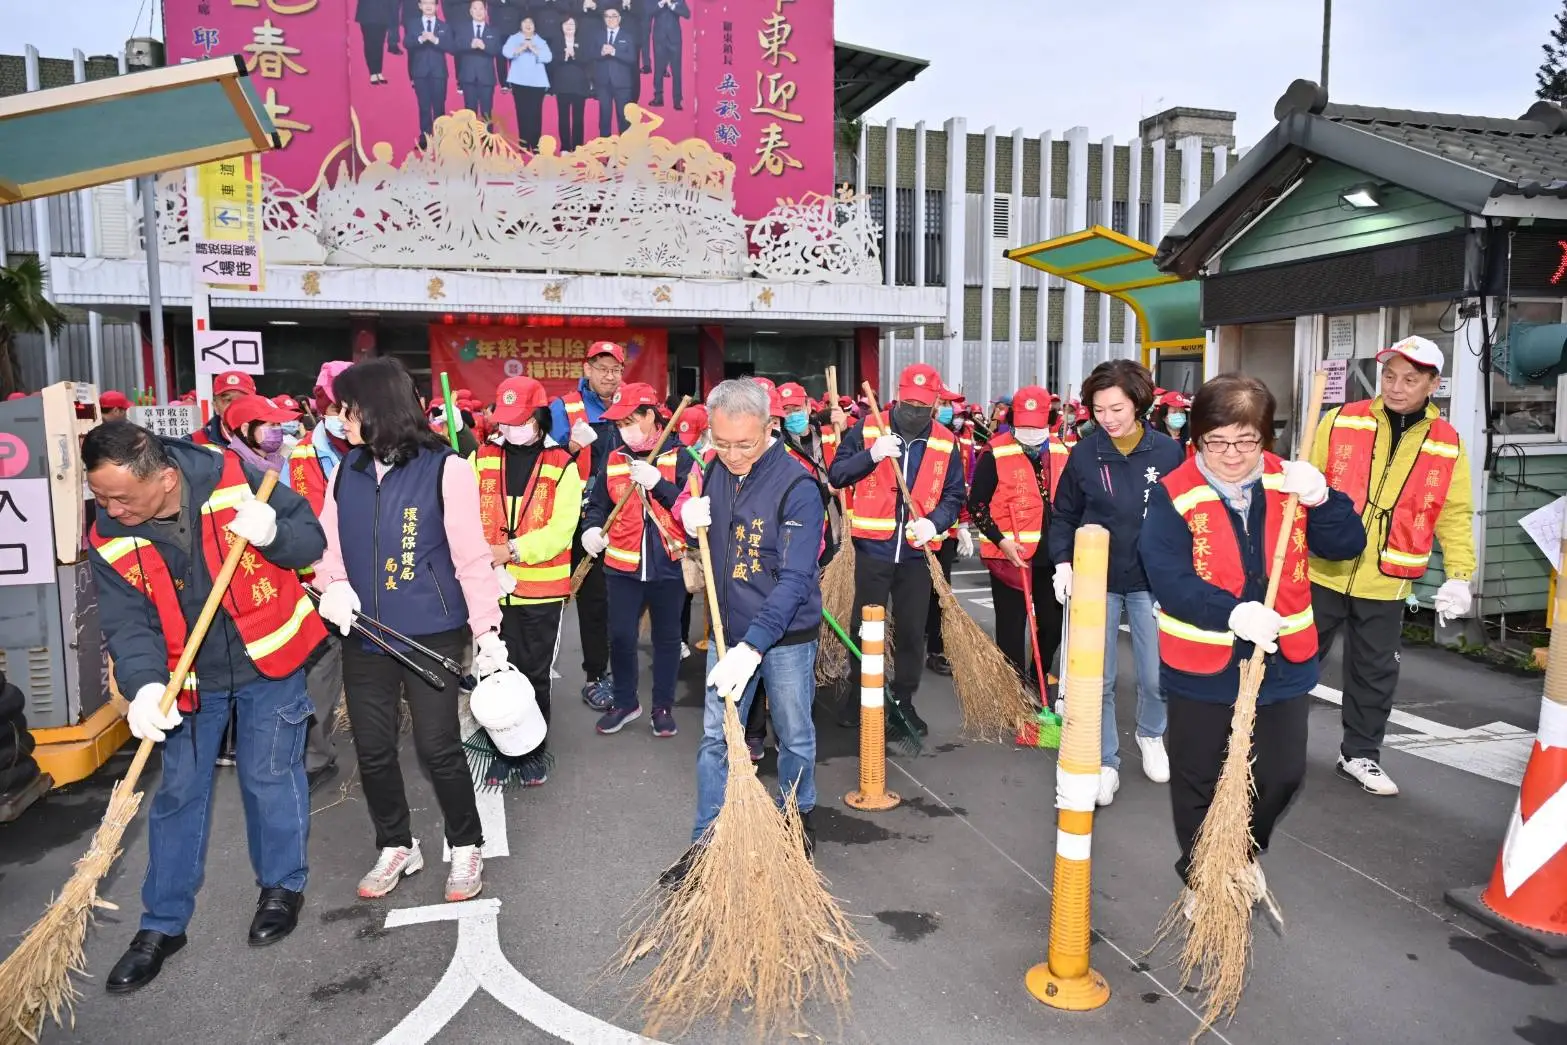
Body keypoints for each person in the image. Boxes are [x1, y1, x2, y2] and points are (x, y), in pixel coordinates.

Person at [85, 422, 327, 992]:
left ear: (167, 479)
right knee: (178, 796)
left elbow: (308, 539)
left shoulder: (235, 479)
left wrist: (274, 536)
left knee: (269, 776)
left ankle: (281, 887)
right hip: (184, 680)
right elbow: (125, 619)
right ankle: (163, 924)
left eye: (122, 497)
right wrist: (144, 686)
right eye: (100, 496)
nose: (111, 509)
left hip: (268, 661)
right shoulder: (107, 533)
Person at [1140, 374, 1364, 906]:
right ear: (1196, 438)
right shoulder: (1174, 493)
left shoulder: (1290, 480)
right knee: (1198, 776)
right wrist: (1231, 613)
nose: (1232, 454)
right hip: (1202, 661)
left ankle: (1235, 854)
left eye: (1247, 441)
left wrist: (1324, 498)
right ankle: (1202, 876)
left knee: (1281, 774)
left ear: (1266, 438)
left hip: (1283, 659)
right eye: (1216, 442)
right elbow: (1168, 577)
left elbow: (1345, 544)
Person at [307, 357, 509, 903]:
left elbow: (470, 557)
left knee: (437, 745)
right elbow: (328, 545)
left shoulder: (446, 468)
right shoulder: (344, 470)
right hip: (365, 631)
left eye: (347, 409)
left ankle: (466, 845)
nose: (339, 419)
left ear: (378, 408)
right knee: (372, 749)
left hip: (430, 631)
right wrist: (332, 585)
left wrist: (487, 631)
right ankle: (396, 843)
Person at [660, 379, 826, 886]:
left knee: (794, 731)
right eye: (721, 442)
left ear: (770, 428)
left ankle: (798, 821)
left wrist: (755, 645)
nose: (731, 454)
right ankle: (706, 839)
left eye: (745, 444)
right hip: (728, 629)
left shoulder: (799, 489)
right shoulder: (711, 468)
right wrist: (685, 519)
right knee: (716, 736)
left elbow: (797, 580)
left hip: (784, 635)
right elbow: (692, 520)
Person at [1309, 336, 1475, 797]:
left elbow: (1454, 512)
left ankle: (1360, 755)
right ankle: (1264, 742)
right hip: (1324, 568)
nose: (1396, 387)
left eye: (1410, 379)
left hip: (1388, 578)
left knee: (1374, 672)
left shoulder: (1447, 442)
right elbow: (1305, 484)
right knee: (1294, 661)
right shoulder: (1340, 420)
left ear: (1432, 384)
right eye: (1389, 376)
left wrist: (1460, 575)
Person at [1047, 359, 1184, 806]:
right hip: (1098, 580)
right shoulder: (1084, 454)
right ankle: (1106, 760)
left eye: (1116, 408)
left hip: (1152, 581)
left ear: (1139, 403)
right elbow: (1065, 513)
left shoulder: (1167, 452)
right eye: (1098, 409)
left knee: (1155, 671)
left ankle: (1151, 734)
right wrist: (1063, 562)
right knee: (1097, 677)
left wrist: (1180, 576)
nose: (1107, 418)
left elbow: (1187, 517)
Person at [827, 363, 966, 735]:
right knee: (865, 628)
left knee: (910, 631)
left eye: (923, 406)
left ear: (935, 403)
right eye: (909, 403)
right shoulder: (870, 427)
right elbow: (837, 475)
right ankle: (860, 695)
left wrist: (934, 522)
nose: (914, 412)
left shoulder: (944, 440)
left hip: (917, 556)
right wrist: (871, 455)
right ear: (897, 396)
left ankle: (903, 700)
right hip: (873, 550)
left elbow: (955, 494)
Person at [472, 375, 582, 785]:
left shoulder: (561, 465)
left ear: (539, 417)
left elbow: (560, 530)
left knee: (533, 673)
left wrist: (512, 552)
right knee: (494, 670)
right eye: (504, 421)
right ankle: (501, 749)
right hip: (487, 589)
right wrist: (486, 559)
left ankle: (533, 750)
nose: (510, 429)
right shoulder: (481, 457)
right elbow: (464, 514)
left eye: (520, 420)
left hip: (540, 590)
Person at [580, 383, 694, 736]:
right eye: (618, 423)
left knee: (667, 640)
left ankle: (662, 707)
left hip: (669, 566)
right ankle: (626, 701)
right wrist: (592, 528)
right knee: (622, 637)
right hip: (621, 567)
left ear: (651, 416)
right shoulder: (614, 459)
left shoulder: (683, 457)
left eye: (630, 420)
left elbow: (691, 513)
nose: (623, 429)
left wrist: (660, 482)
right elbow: (597, 502)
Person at [968, 386, 1069, 693]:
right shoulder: (995, 452)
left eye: (1036, 425)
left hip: (1052, 555)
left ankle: (1038, 673)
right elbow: (977, 505)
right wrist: (1001, 541)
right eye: (1023, 424)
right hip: (1010, 555)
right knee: (1011, 628)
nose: (1029, 431)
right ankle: (1012, 688)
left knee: (1052, 623)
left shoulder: (1063, 451)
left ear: (1049, 421)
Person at [548, 341, 625, 709]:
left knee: (620, 598)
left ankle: (621, 670)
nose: (609, 376)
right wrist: (571, 445)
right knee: (591, 600)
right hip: (578, 519)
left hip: (623, 517)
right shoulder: (565, 408)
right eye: (602, 368)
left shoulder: (629, 405)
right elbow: (547, 462)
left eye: (615, 369)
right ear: (587, 369)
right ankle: (595, 675)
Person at [924, 385, 974, 677]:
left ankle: (937, 648)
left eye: (950, 405)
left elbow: (961, 487)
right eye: (942, 402)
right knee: (915, 594)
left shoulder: (958, 441)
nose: (947, 409)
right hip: (915, 533)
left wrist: (964, 522)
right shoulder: (922, 439)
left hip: (946, 532)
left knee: (941, 593)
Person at [406, 0, 454, 147]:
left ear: (437, 6)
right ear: (420, 6)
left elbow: (452, 48)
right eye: (425, 3)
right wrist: (420, 39)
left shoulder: (444, 26)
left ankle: (440, 138)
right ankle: (425, 138)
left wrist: (435, 39)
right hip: (420, 72)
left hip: (439, 72)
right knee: (424, 106)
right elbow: (407, 43)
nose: (428, 6)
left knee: (439, 105)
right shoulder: (413, 24)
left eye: (431, 3)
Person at [503, 16, 553, 149]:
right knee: (522, 112)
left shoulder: (540, 40)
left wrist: (534, 49)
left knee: (536, 113)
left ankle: (536, 143)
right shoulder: (514, 38)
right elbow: (506, 52)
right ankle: (524, 143)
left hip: (537, 83)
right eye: (525, 22)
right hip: (519, 82)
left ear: (535, 26)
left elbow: (548, 57)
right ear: (520, 25)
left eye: (531, 22)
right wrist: (520, 48)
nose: (528, 25)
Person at [546, 14, 592, 152]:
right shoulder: (556, 41)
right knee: (563, 117)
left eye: (571, 24)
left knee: (578, 118)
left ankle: (578, 147)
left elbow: (588, 60)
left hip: (579, 84)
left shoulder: (583, 40)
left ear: (576, 26)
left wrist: (575, 55)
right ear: (561, 26)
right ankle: (565, 146)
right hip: (562, 85)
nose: (569, 27)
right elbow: (551, 62)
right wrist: (564, 56)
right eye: (566, 24)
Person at [452, 0, 502, 121]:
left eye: (481, 9)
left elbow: (498, 50)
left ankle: (487, 139)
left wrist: (485, 47)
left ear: (486, 11)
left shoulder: (494, 30)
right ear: (470, 11)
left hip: (486, 78)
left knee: (487, 114)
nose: (478, 12)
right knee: (469, 113)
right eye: (475, 8)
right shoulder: (462, 28)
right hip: (468, 77)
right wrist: (470, 44)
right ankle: (471, 139)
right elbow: (455, 46)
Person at [592, 6, 637, 136]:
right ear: (604, 19)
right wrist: (600, 52)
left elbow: (632, 58)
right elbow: (591, 54)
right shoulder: (598, 35)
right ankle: (606, 153)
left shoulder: (627, 36)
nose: (611, 19)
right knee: (604, 119)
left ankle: (624, 153)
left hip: (622, 85)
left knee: (624, 120)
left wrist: (614, 52)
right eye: (608, 16)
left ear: (619, 19)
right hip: (603, 84)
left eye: (614, 16)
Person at [190, 370, 256, 445]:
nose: (235, 406)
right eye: (228, 400)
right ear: (215, 407)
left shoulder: (267, 439)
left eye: (242, 400)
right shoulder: (195, 443)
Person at [648, 0, 688, 109]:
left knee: (676, 70)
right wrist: (660, 4)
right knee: (659, 69)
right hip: (659, 40)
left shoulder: (678, 1)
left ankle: (677, 100)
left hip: (675, 40)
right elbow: (647, 12)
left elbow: (687, 14)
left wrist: (672, 5)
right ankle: (658, 97)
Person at [356, 0, 405, 86]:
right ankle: (373, 72)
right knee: (370, 42)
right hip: (368, 13)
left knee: (379, 43)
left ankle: (378, 71)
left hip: (383, 13)